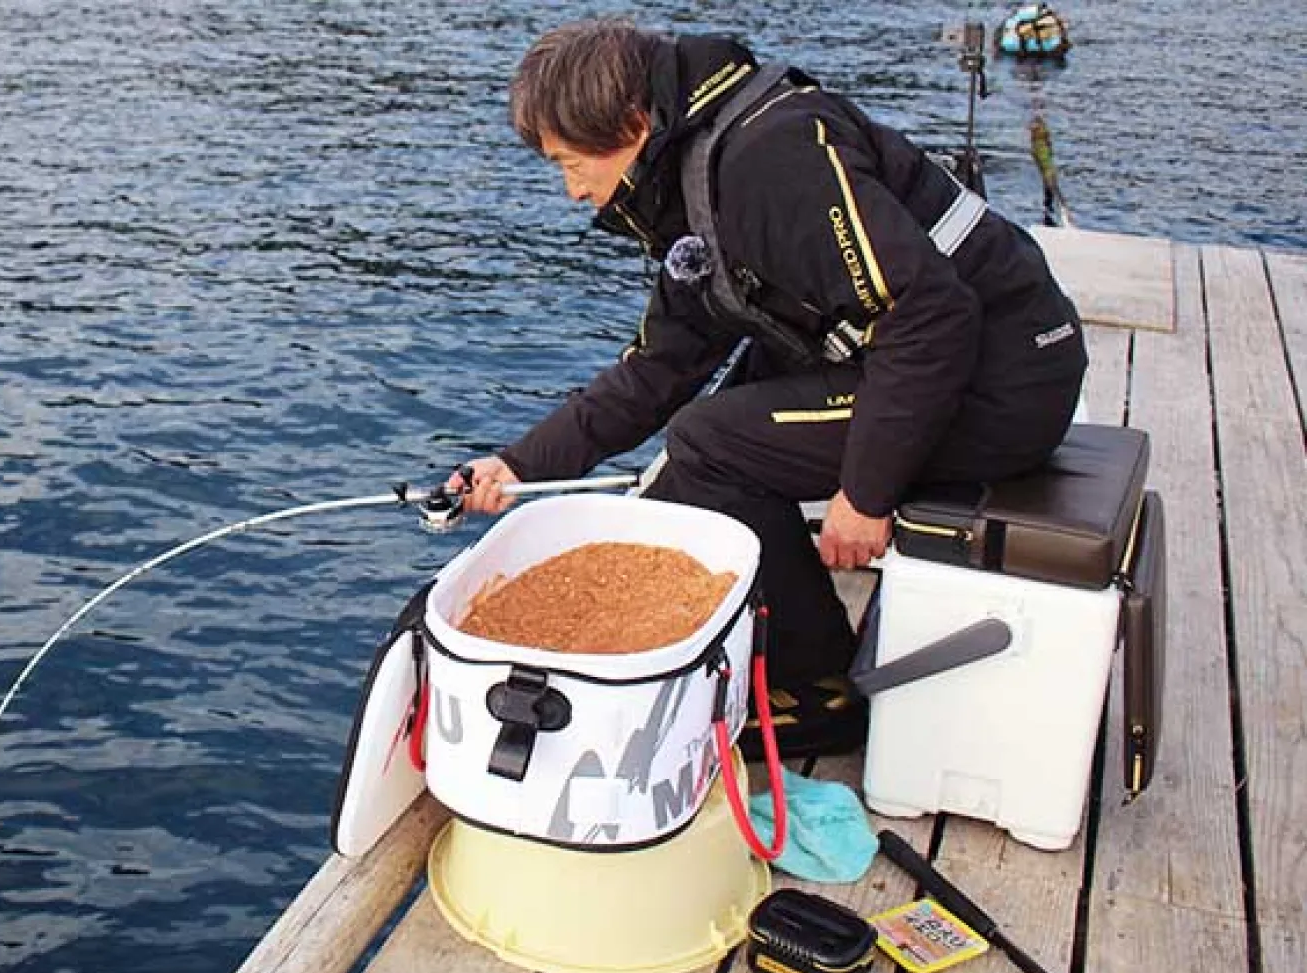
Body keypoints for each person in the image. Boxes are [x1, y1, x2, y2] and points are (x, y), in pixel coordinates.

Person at [450, 19, 1087, 757]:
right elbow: (660, 367)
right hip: (952, 357)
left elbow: (932, 313)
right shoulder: (694, 175)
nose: (571, 192)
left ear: (630, 123)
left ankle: (818, 696)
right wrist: (519, 465)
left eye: (569, 163)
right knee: (696, 454)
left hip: (1004, 378)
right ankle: (730, 652)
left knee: (710, 442)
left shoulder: (766, 163)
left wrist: (866, 495)